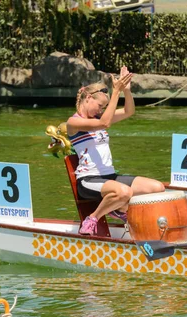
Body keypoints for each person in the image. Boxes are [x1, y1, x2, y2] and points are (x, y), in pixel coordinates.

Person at [67, 66, 165, 235]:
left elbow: (129, 111)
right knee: (124, 191)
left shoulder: (99, 117)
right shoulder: (73, 123)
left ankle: (119, 209)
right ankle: (92, 219)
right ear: (88, 98)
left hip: (109, 177)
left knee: (157, 188)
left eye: (103, 108)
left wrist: (126, 90)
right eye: (100, 106)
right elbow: (105, 123)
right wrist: (116, 92)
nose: (101, 110)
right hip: (88, 180)